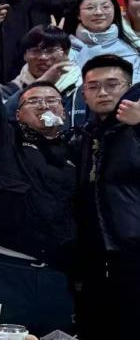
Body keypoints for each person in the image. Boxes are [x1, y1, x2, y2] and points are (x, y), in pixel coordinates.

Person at [0, 14, 77, 336]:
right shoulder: (3, 140)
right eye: (33, 101)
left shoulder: (79, 147)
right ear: (18, 114)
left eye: (52, 100)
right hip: (4, 270)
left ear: (64, 110)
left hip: (58, 272)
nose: (44, 105)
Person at [74, 54, 140, 340]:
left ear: (129, 87)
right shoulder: (84, 135)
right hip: (93, 254)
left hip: (134, 250)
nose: (103, 93)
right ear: (84, 94)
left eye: (112, 85)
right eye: (93, 87)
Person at [0, 24, 79, 122]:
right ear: (25, 55)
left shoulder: (81, 87)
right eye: (35, 51)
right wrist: (40, 83)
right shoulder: (11, 90)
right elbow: (0, 119)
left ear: (66, 53)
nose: (43, 57)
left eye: (50, 51)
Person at [67, 0, 140, 76]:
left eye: (105, 7)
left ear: (115, 10)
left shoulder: (130, 50)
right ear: (78, 14)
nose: (99, 12)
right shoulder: (65, 50)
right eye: (90, 8)